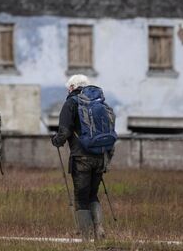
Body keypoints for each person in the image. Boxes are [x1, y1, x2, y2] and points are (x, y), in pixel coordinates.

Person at [51, 74, 113, 240]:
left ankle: (86, 238)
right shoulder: (100, 102)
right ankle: (99, 229)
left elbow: (64, 132)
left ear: (72, 87)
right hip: (100, 156)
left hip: (81, 158)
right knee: (93, 195)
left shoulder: (71, 102)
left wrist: (56, 141)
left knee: (81, 198)